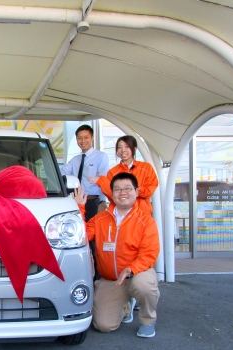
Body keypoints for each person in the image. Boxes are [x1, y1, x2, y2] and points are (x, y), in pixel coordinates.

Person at [72, 172, 160, 338]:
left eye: (127, 188)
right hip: (111, 280)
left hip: (136, 274)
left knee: (144, 284)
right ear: (112, 194)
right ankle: (125, 306)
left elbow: (149, 253)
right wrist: (80, 207)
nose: (123, 192)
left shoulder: (146, 221)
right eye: (118, 189)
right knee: (103, 325)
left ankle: (148, 320)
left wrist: (131, 269)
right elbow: (81, 235)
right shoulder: (100, 219)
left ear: (136, 191)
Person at [88, 135, 158, 215]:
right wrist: (103, 183)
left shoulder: (146, 167)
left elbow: (149, 191)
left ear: (134, 148)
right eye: (119, 147)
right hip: (120, 214)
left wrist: (131, 190)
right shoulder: (112, 172)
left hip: (142, 214)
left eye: (127, 146)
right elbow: (112, 196)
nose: (123, 150)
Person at [61, 124, 109, 221]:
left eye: (86, 137)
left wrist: (102, 201)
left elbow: (104, 180)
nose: (83, 141)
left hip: (93, 201)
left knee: (92, 229)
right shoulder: (75, 160)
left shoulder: (101, 156)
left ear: (92, 138)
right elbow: (61, 173)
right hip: (76, 201)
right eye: (79, 138)